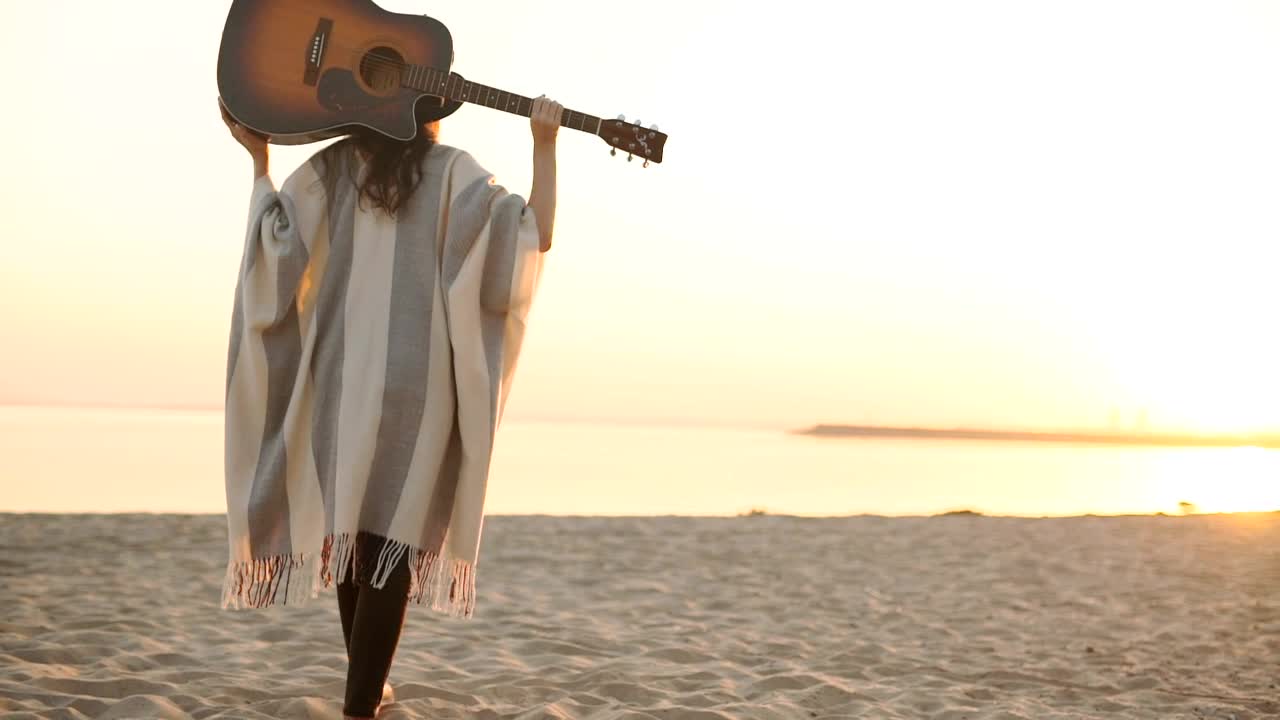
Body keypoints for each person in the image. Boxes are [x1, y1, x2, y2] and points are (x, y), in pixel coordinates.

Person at [217, 93, 563, 719]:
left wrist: (259, 159)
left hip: (339, 381)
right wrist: (545, 145)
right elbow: (530, 241)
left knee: (354, 533)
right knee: (387, 539)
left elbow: (275, 250)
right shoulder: (456, 173)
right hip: (418, 387)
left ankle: (363, 696)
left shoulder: (330, 171)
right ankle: (363, 701)